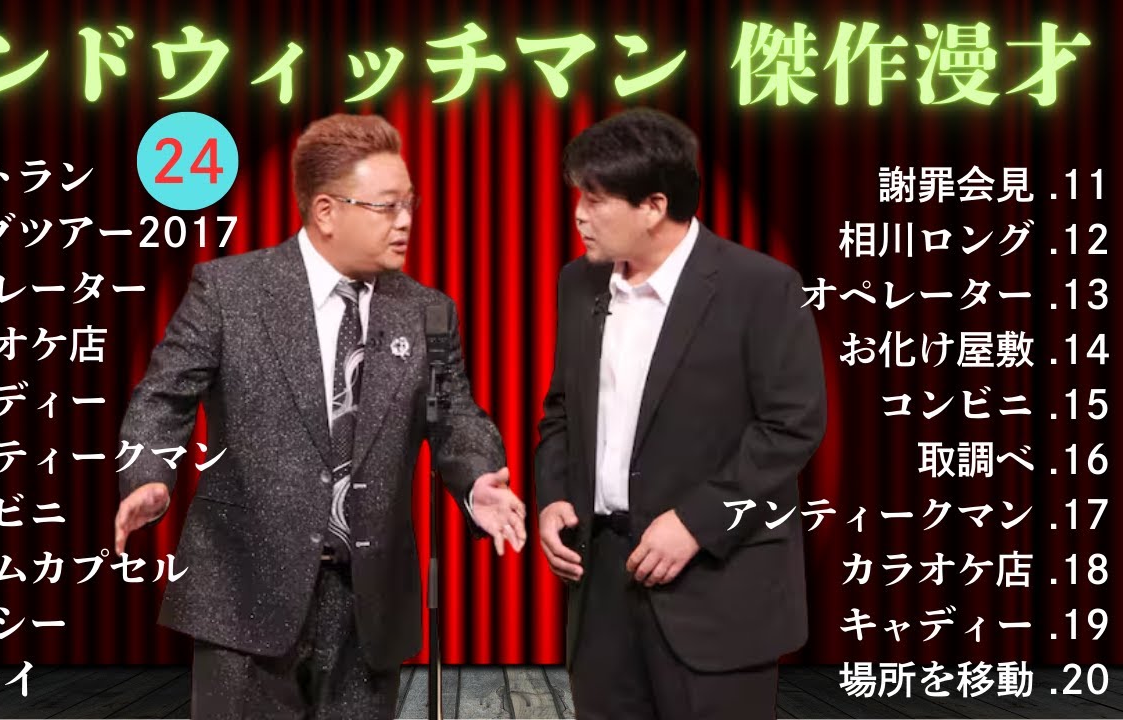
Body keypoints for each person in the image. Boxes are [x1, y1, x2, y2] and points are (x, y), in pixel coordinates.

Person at [114, 113, 526, 719]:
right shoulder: (230, 290)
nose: (405, 221)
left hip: (368, 598)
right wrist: (149, 473)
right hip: (245, 587)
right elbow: (163, 396)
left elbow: (453, 415)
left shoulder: (429, 311)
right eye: (386, 206)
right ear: (326, 211)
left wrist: (478, 478)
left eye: (409, 204)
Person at [534, 107, 826, 720]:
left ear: (654, 206)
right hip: (601, 584)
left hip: (717, 584)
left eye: (595, 199)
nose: (579, 214)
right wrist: (554, 496)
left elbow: (790, 426)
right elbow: (561, 409)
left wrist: (696, 522)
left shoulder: (760, 286)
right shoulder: (578, 283)